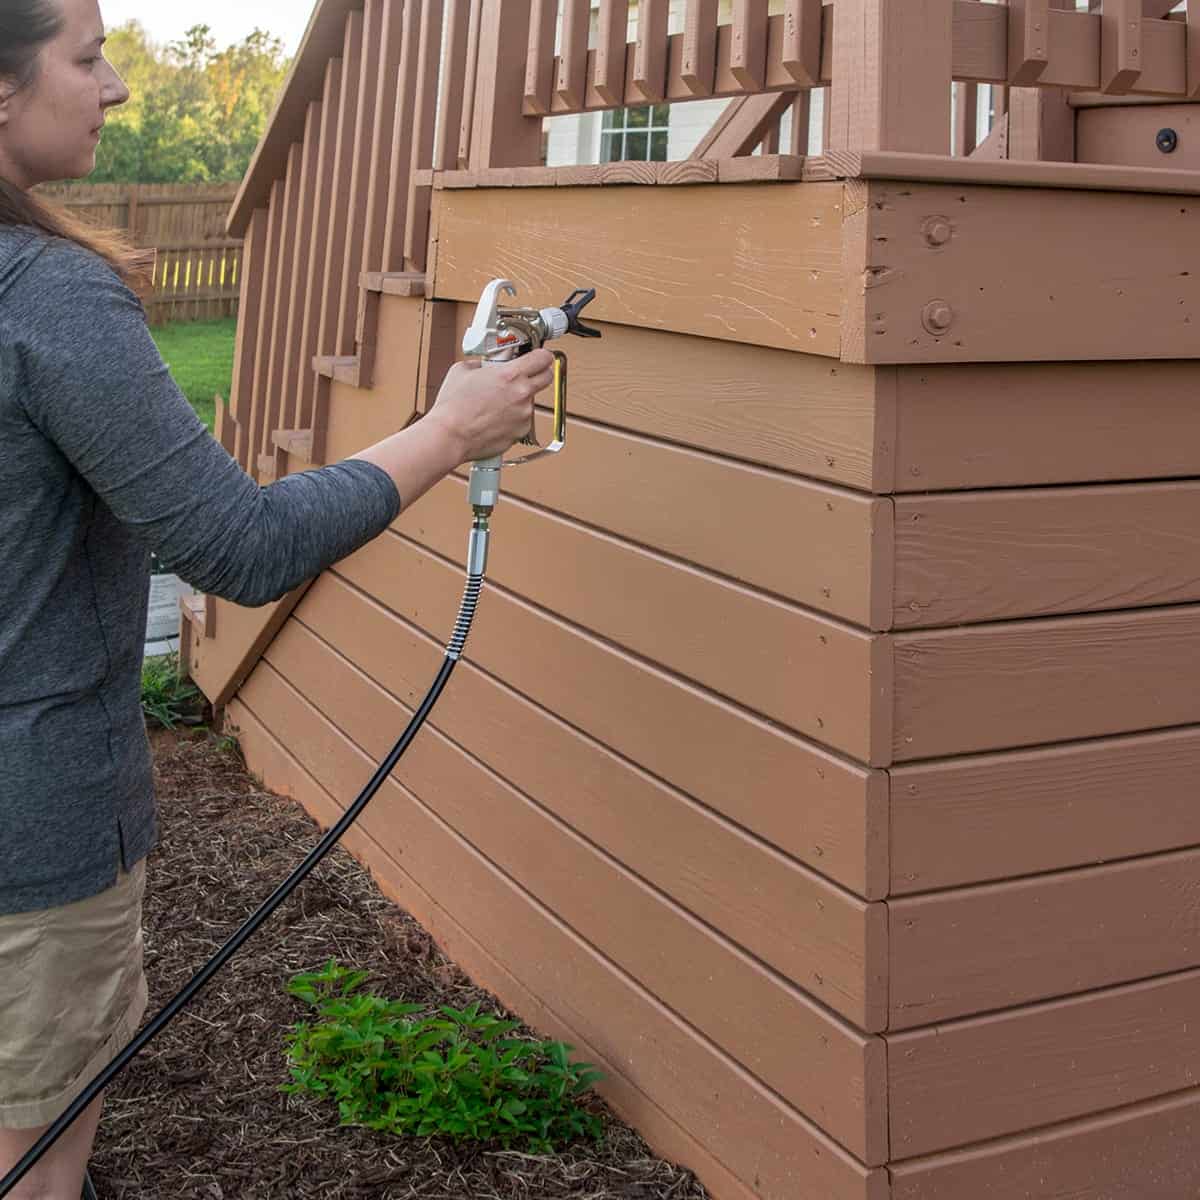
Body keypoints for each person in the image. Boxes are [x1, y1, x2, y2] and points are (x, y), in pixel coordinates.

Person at [0, 0, 555, 1195]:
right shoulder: (44, 298)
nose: (117, 90)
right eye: (88, 59)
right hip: (28, 838)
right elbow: (238, 548)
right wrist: (449, 431)